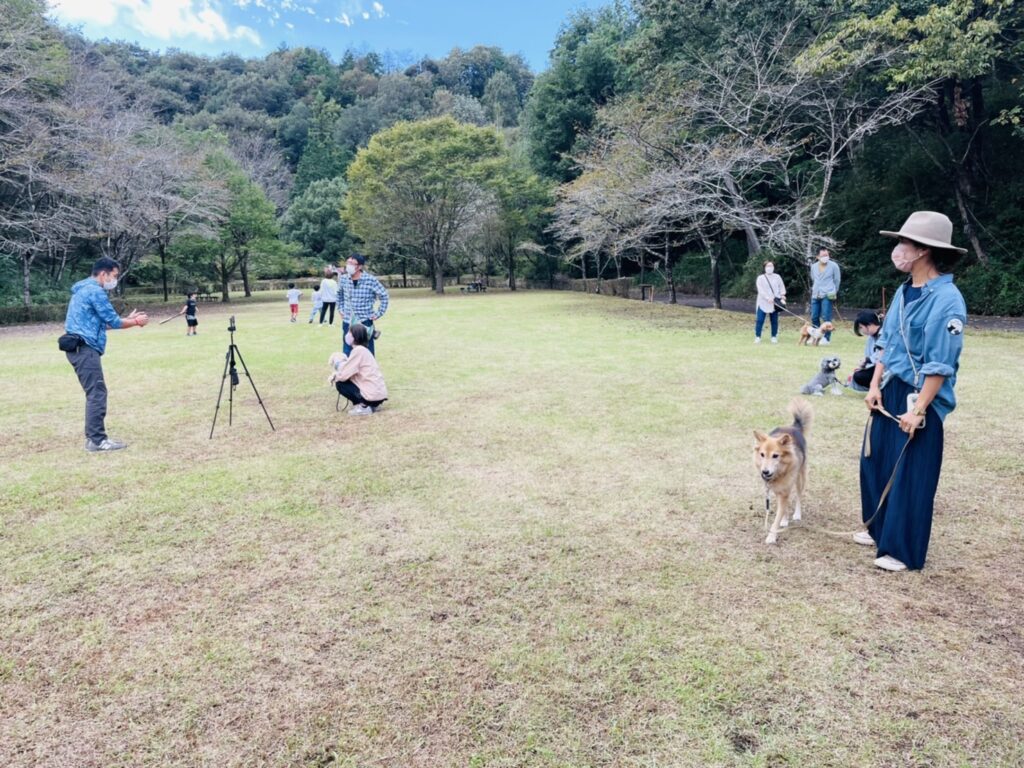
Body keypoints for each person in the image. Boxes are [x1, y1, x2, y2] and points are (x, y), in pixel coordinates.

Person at [858, 211, 967, 572]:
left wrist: (919, 409)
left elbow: (940, 363)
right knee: (876, 461)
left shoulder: (947, 299)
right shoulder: (905, 292)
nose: (898, 250)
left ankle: (902, 550)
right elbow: (885, 344)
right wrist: (874, 385)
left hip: (921, 395)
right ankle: (878, 530)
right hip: (891, 388)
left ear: (923, 250)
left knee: (910, 473)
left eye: (903, 243)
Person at [61, 257, 149, 452]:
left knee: (95, 392)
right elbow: (114, 321)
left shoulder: (82, 290)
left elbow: (102, 324)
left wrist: (128, 320)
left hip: (79, 347)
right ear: (104, 273)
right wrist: (135, 322)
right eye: (114, 276)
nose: (114, 280)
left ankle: (95, 438)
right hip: (84, 348)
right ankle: (97, 440)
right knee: (97, 393)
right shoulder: (95, 291)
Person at [328, 323, 389, 416]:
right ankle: (370, 405)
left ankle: (363, 406)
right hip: (378, 395)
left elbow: (344, 374)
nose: (347, 335)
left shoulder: (358, 351)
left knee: (340, 384)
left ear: (354, 337)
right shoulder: (364, 350)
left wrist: (335, 375)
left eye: (349, 333)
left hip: (372, 395)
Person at [339, 252, 389, 356]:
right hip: (348, 322)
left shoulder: (370, 280)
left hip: (364, 321)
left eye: (352, 263)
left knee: (367, 354)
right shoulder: (343, 279)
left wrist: (378, 313)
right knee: (348, 353)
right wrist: (340, 309)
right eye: (348, 262)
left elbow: (384, 296)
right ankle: (349, 372)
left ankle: (368, 373)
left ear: (360, 266)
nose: (349, 265)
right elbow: (339, 294)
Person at [809, 248, 841, 344]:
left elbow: (837, 280)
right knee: (814, 316)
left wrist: (834, 291)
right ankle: (816, 335)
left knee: (826, 316)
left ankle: (826, 338)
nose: (825, 257)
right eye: (823, 255)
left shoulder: (834, 266)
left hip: (828, 293)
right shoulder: (813, 266)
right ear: (817, 257)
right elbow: (813, 278)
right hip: (816, 293)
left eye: (827, 255)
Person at [754, 260, 787, 344]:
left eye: (771, 266)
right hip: (763, 302)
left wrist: (782, 295)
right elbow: (760, 290)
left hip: (774, 302)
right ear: (764, 268)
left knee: (774, 320)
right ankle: (758, 336)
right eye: (768, 266)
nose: (770, 268)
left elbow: (781, 287)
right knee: (760, 320)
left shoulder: (777, 277)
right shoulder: (760, 278)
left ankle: (774, 336)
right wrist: (767, 298)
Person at [849, 310, 883, 391]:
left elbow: (884, 355)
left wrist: (868, 360)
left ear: (869, 325)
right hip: (877, 366)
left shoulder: (885, 334)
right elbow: (869, 356)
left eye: (861, 327)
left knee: (859, 376)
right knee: (857, 375)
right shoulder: (871, 338)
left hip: (888, 368)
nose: (861, 330)